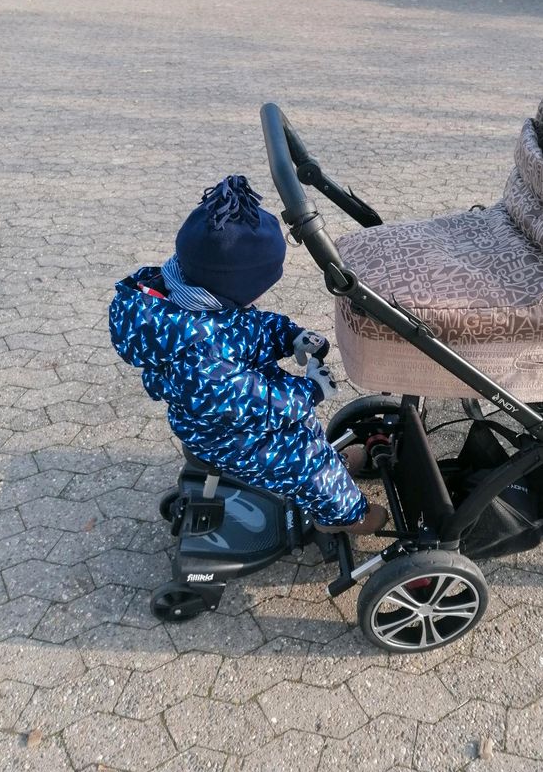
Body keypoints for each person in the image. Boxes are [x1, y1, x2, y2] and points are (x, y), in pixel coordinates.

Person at [109, 174, 388, 535]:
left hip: (240, 412)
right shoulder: (198, 355)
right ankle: (344, 516)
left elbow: (248, 328)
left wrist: (291, 338)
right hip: (230, 436)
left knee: (304, 430)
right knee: (306, 461)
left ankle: (330, 468)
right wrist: (310, 391)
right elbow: (254, 403)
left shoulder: (196, 296)